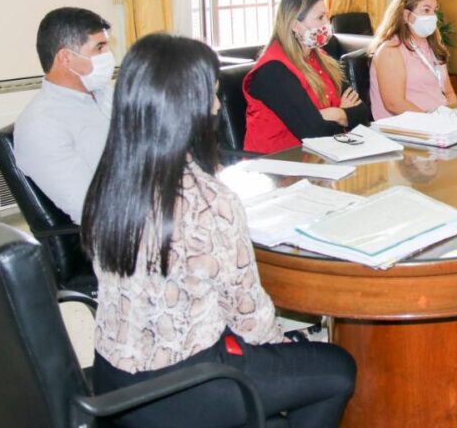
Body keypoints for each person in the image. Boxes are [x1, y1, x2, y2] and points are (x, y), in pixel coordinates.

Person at [81, 33, 356, 428]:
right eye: (210, 94)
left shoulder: (110, 180)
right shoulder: (209, 199)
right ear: (186, 106)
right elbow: (250, 321)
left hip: (113, 380)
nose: (214, 106)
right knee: (335, 369)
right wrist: (288, 343)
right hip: (188, 388)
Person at [14, 7, 114, 222]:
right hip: (119, 228)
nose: (108, 56)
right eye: (99, 48)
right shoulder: (41, 126)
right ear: (66, 58)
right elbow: (92, 209)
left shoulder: (104, 94)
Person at [243, 0, 371, 154]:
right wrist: (342, 115)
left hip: (323, 153)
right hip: (277, 161)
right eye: (320, 17)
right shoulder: (273, 70)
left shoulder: (320, 58)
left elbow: (362, 113)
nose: (327, 23)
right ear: (296, 26)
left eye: (326, 16)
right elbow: (314, 132)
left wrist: (334, 113)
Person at [368, 0, 457, 119]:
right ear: (406, 15)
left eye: (435, 11)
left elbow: (449, 93)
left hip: (440, 121)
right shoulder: (390, 50)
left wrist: (455, 116)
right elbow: (394, 104)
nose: (433, 16)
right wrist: (433, 122)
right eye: (426, 10)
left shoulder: (433, 46)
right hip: (409, 125)